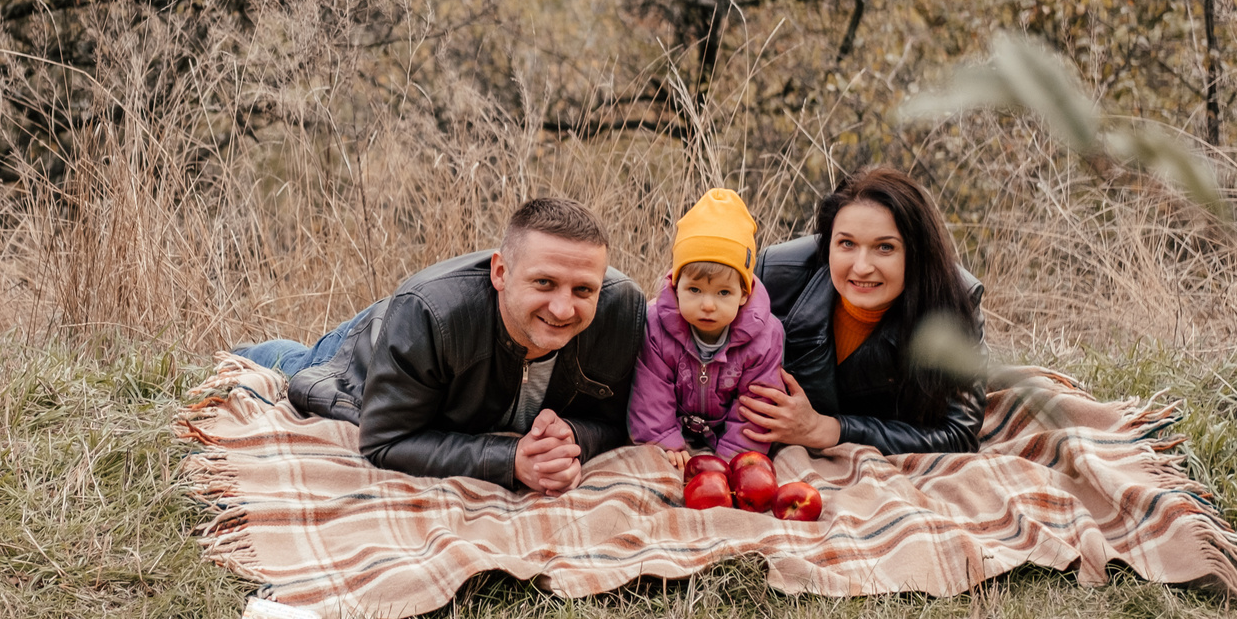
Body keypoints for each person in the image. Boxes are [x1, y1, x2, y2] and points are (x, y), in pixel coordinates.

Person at [231, 196, 647, 492]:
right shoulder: (431, 314)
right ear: (500, 272)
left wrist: (572, 438)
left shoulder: (623, 312)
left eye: (583, 290)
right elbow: (385, 441)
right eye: (544, 282)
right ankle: (242, 352)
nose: (562, 308)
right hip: (370, 346)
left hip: (419, 335)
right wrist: (510, 460)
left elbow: (619, 421)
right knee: (293, 363)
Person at [738, 167, 986, 456]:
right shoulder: (776, 275)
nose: (862, 266)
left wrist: (831, 429)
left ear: (916, 252)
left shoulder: (955, 302)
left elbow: (958, 435)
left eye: (884, 247)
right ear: (827, 242)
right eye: (847, 244)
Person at [627, 188, 786, 467]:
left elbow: (756, 404)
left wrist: (733, 458)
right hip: (675, 426)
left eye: (723, 293)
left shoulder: (765, 336)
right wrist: (664, 439)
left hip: (729, 432)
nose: (708, 305)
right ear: (676, 287)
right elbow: (650, 392)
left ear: (745, 294)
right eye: (695, 290)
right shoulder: (656, 325)